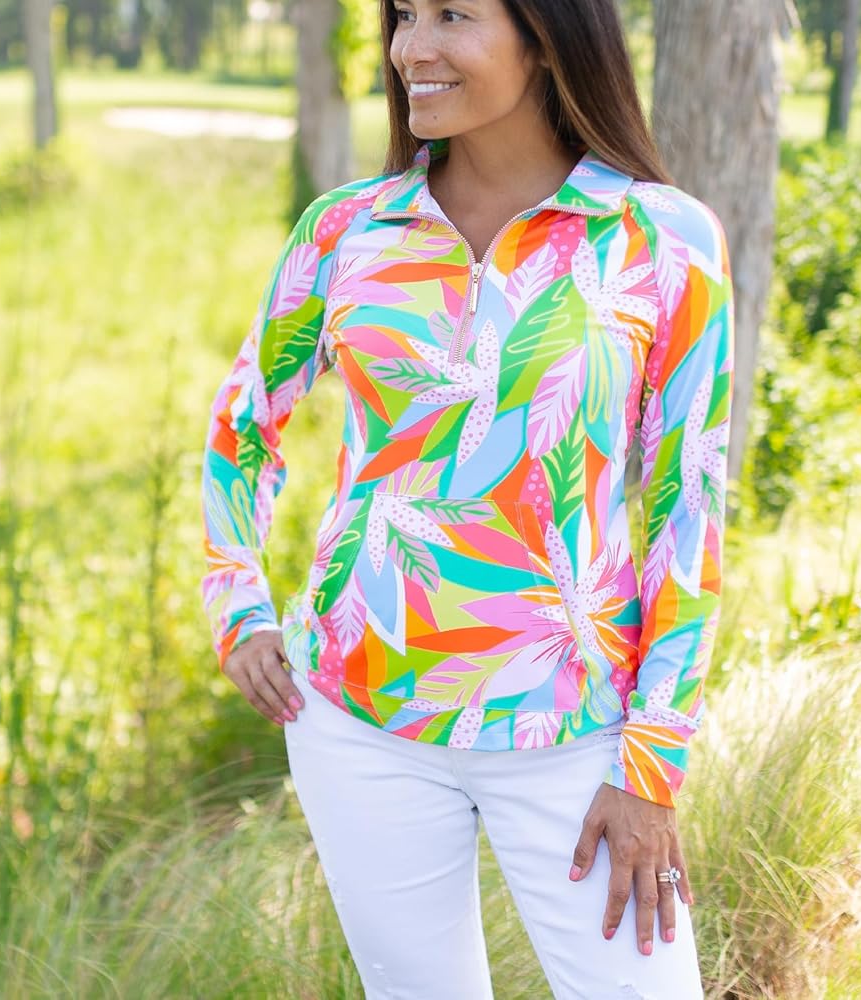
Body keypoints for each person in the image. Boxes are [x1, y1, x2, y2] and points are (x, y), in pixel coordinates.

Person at [200, 0, 734, 996]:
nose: (413, 47)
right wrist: (236, 601)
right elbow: (243, 423)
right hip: (357, 716)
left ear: (547, 37)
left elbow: (685, 506)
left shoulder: (661, 239)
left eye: (452, 14)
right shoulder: (347, 229)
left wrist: (652, 760)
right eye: (404, 14)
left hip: (574, 729)